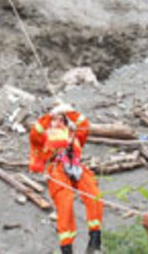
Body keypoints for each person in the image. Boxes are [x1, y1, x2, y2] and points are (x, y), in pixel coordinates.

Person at [29, 103, 103, 253]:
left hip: (75, 166)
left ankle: (95, 236)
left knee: (94, 194)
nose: (59, 122)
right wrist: (50, 116)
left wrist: (70, 112)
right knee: (65, 203)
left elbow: (84, 125)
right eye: (56, 120)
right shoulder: (44, 135)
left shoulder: (73, 135)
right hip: (57, 170)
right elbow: (35, 133)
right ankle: (66, 247)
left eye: (62, 119)